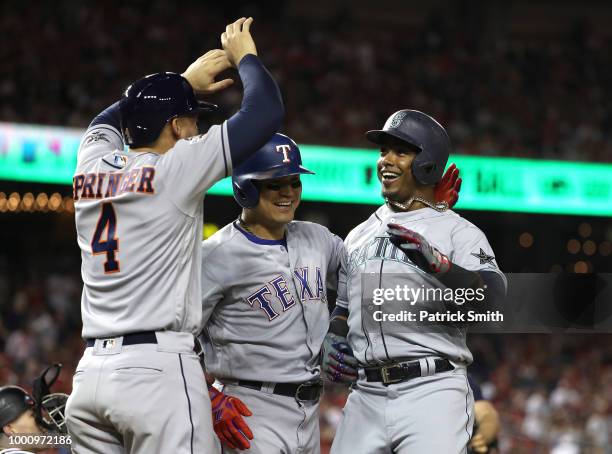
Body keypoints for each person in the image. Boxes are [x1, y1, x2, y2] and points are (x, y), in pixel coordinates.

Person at [65, 17, 284, 454]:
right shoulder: (175, 169)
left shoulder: (90, 163)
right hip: (155, 372)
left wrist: (181, 82)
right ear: (177, 126)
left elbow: (105, 118)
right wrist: (246, 58)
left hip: (89, 377)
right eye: (191, 120)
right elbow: (266, 113)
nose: (197, 129)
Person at [199, 133, 463, 453]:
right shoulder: (215, 255)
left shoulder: (316, 238)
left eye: (295, 182)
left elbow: (372, 265)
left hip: (309, 411)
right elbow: (176, 337)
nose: (288, 192)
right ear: (245, 187)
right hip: (249, 410)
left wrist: (424, 211)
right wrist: (208, 397)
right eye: (275, 183)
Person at [324, 110, 506, 453]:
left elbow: (494, 299)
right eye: (383, 151)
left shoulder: (459, 231)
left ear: (427, 163)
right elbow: (344, 308)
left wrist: (443, 267)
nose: (386, 161)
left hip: (433, 391)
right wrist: (334, 335)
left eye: (401, 152)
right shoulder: (357, 236)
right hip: (366, 394)